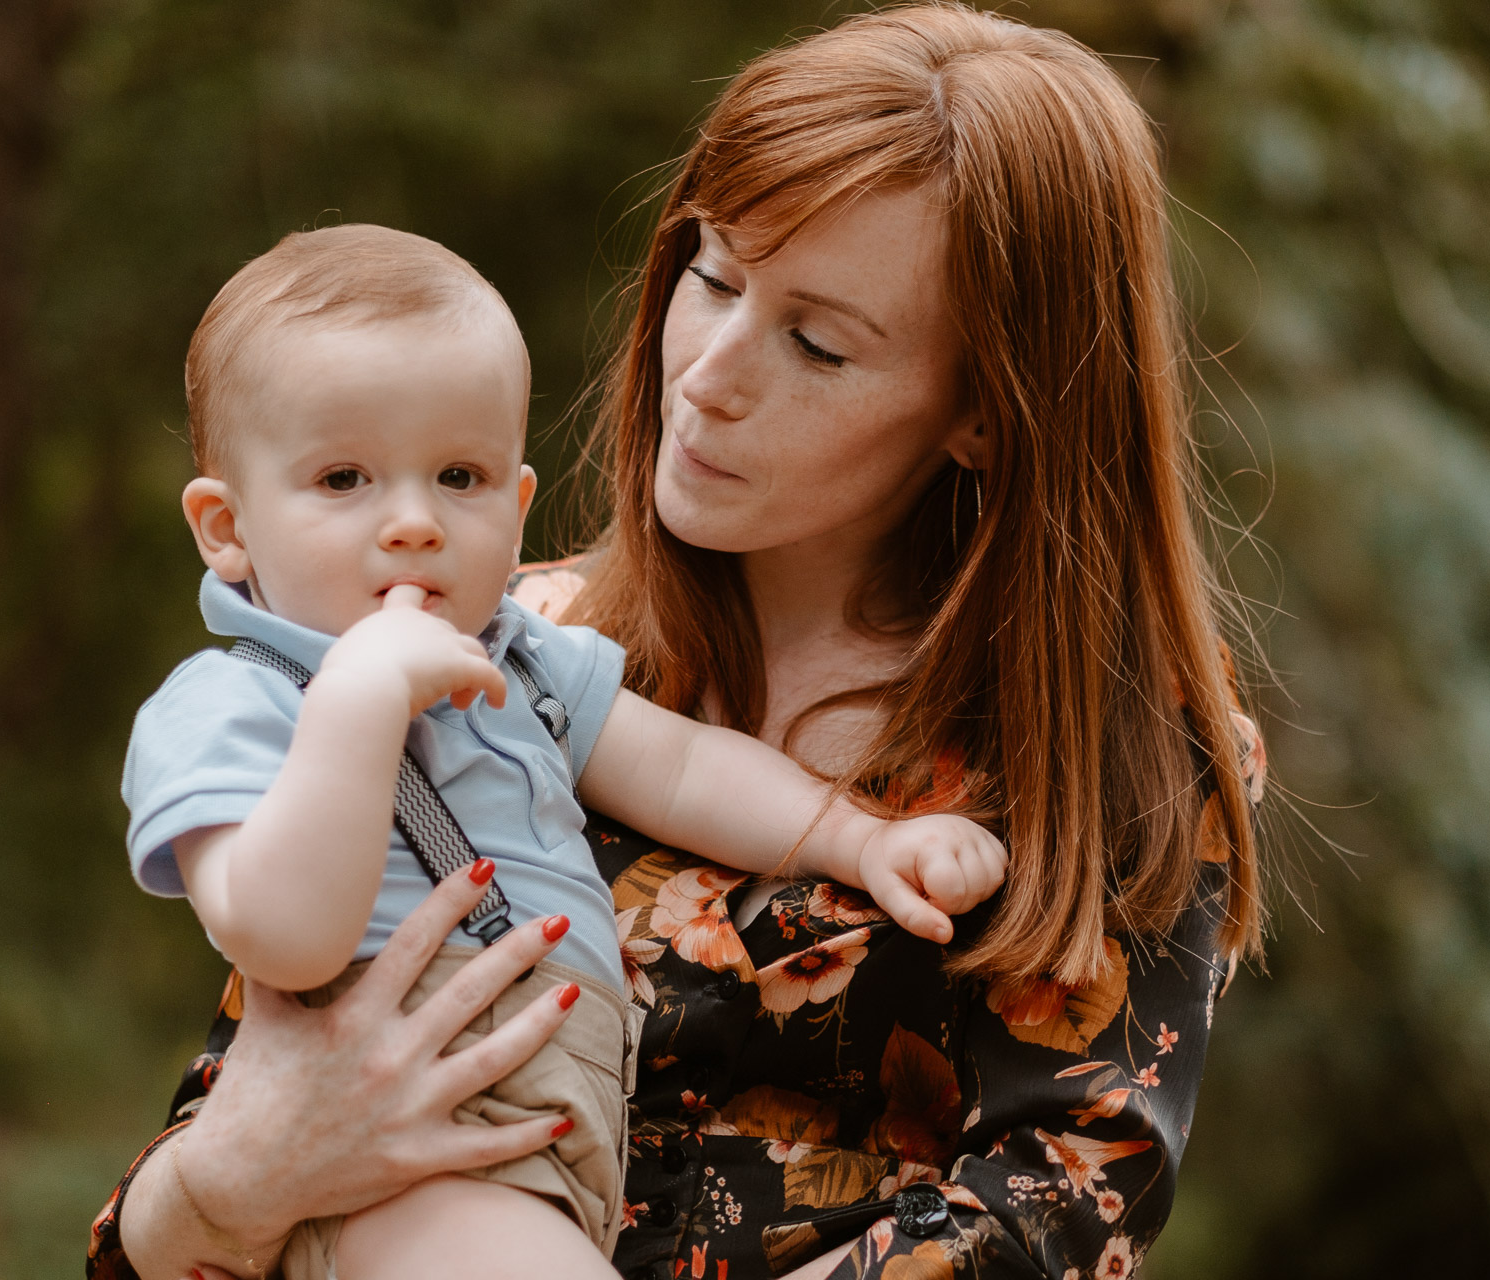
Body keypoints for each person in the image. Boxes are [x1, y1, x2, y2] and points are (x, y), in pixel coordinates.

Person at [88, 6, 1270, 1279]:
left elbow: (1044, 1214)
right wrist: (216, 1188)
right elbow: (219, 1141)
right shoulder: (465, 645)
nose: (706, 371)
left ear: (983, 413)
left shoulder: (1112, 756)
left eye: (815, 342)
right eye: (710, 276)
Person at [123, 222, 1008, 1280]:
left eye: (458, 475)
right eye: (344, 478)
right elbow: (282, 938)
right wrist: (358, 700)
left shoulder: (522, 653)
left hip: (549, 1128)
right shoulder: (233, 703)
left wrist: (859, 841)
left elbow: (681, 767)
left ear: (519, 501)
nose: (412, 522)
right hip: (406, 1154)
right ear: (225, 526)